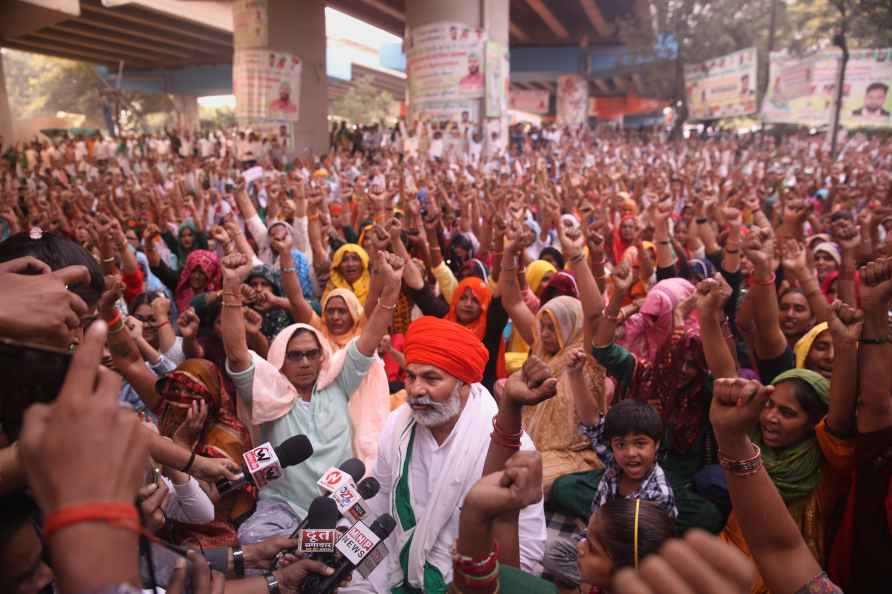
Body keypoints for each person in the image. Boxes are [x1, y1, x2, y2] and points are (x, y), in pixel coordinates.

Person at [341, 316, 547, 593]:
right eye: (410, 376)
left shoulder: (509, 444)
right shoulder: (398, 424)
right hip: (396, 572)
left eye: (431, 378)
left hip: (464, 583)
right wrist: (343, 543)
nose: (415, 390)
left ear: (464, 384)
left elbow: (528, 543)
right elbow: (378, 499)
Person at [221, 250, 402, 543]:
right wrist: (231, 288)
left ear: (322, 356)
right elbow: (237, 354)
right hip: (282, 508)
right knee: (254, 540)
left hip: (339, 506)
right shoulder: (267, 390)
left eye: (311, 354)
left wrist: (391, 288)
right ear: (281, 357)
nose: (305, 362)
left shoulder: (338, 382)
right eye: (295, 355)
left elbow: (368, 338)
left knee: (365, 556)